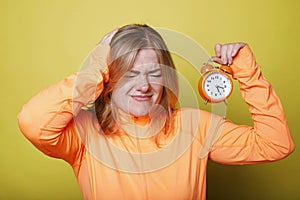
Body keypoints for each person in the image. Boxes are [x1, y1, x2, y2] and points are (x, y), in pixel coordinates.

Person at [18, 24, 294, 200]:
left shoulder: (193, 126)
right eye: (130, 74)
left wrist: (246, 69)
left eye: (154, 73)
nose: (144, 86)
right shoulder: (84, 134)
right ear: (108, 79)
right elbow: (32, 121)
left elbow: (275, 145)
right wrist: (97, 63)